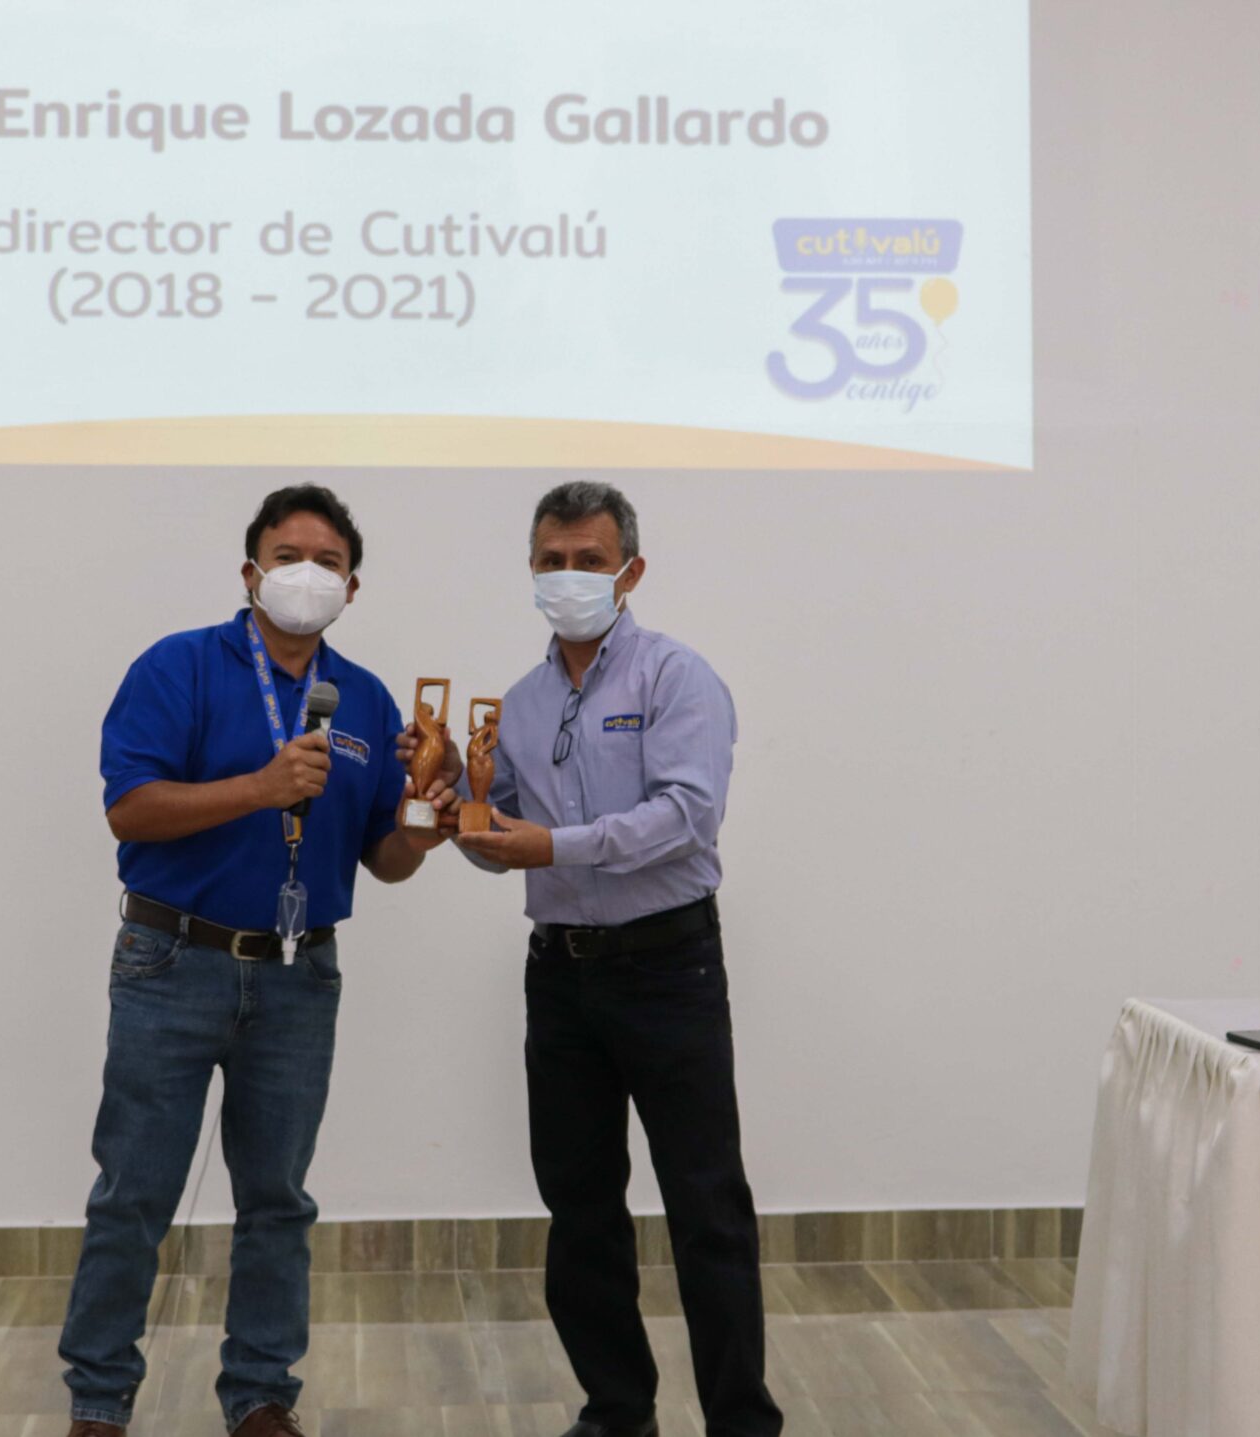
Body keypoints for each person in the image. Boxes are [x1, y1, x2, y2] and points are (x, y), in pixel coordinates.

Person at [60, 484, 453, 1437]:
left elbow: (384, 861)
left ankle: (261, 1394)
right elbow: (129, 808)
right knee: (134, 1191)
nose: (306, 574)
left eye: (329, 562)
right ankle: (99, 1401)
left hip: (299, 975)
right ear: (250, 571)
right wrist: (259, 786)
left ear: (352, 588)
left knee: (277, 1199)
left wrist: (424, 825)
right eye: (288, 556)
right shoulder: (179, 666)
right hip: (172, 961)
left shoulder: (364, 700)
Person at [434, 480, 782, 1437]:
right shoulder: (521, 702)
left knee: (706, 1206)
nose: (569, 577)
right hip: (561, 976)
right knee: (580, 1208)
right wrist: (455, 810)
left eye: (589, 560)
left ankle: (741, 1422)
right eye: (552, 561)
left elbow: (686, 816)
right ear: (530, 569)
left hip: (668, 968)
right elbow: (499, 838)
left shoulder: (675, 677)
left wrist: (553, 845)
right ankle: (618, 1411)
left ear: (630, 571)